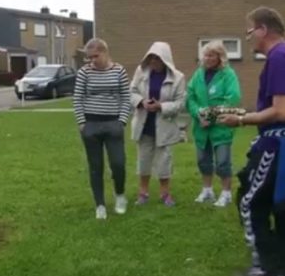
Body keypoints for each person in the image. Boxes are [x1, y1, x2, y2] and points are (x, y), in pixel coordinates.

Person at [218, 7, 285, 276]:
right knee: (278, 206)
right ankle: (279, 265)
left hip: (276, 142)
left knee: (250, 201)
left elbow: (280, 111)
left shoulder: (278, 57)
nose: (248, 40)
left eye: (249, 32)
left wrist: (242, 119)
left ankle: (266, 267)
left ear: (262, 29)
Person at [73, 38, 130, 220]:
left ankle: (120, 195)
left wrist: (121, 121)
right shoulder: (84, 72)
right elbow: (78, 98)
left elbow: (126, 97)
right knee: (96, 166)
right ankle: (100, 205)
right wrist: (83, 124)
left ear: (105, 53)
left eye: (95, 56)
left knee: (118, 164)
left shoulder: (119, 70)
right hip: (91, 124)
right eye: (89, 57)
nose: (92, 61)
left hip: (113, 124)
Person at [186, 40, 241, 207]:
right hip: (201, 127)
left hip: (221, 127)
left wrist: (209, 116)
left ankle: (226, 193)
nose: (207, 58)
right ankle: (207, 190)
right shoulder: (198, 74)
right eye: (206, 55)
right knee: (203, 160)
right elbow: (190, 97)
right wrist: (199, 114)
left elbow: (233, 99)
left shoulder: (228, 74)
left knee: (223, 162)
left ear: (220, 57)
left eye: (211, 55)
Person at [130, 42, 186, 206]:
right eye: (151, 58)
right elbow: (131, 91)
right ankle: (143, 193)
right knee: (143, 160)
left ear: (165, 59)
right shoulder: (141, 72)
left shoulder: (178, 77)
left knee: (164, 161)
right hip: (144, 123)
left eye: (157, 58)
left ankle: (165, 193)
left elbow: (180, 103)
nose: (153, 61)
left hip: (164, 125)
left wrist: (161, 106)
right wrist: (142, 102)